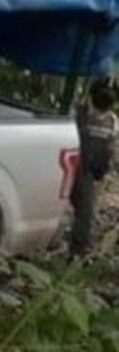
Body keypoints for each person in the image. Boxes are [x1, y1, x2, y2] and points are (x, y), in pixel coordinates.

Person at [69, 77, 118, 255]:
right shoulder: (77, 113)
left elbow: (111, 150)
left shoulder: (112, 122)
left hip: (88, 174)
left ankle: (76, 255)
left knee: (84, 214)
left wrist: (103, 172)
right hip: (67, 167)